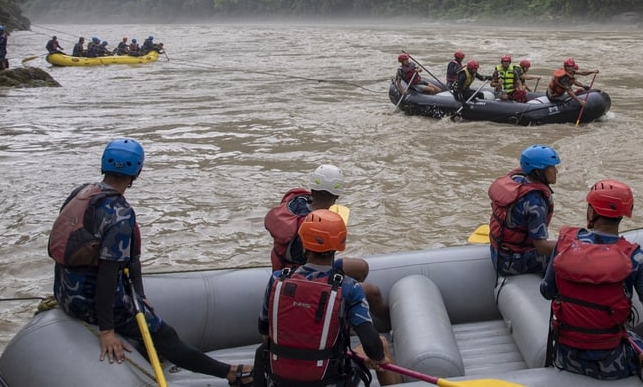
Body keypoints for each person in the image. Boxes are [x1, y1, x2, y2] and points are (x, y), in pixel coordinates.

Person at [49, 138, 254, 385]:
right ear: (137, 171)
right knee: (165, 334)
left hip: (65, 292)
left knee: (149, 318)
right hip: (90, 301)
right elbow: (108, 274)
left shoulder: (82, 192)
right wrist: (107, 330)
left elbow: (122, 257)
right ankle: (231, 374)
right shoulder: (120, 213)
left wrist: (139, 292)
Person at [540, 180, 643, 380]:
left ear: (591, 212)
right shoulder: (637, 258)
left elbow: (547, 291)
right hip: (613, 363)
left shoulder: (564, 246)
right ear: (625, 214)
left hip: (566, 356)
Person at [256, 210, 401, 386]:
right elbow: (372, 344)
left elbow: (264, 329)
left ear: (303, 243)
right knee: (382, 344)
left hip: (278, 380)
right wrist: (376, 357)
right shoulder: (349, 288)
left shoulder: (276, 280)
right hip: (328, 381)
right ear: (339, 245)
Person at [264, 165, 390, 326]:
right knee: (372, 292)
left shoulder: (297, 202)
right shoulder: (312, 226)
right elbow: (316, 263)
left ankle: (344, 314)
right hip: (303, 280)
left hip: (296, 268)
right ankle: (393, 326)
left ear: (312, 189)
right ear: (337, 195)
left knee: (361, 267)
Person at [488, 144, 560, 276]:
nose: (556, 171)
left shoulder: (516, 181)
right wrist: (571, 246)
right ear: (538, 172)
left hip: (498, 253)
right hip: (513, 263)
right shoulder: (534, 202)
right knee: (563, 260)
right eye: (551, 168)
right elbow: (541, 247)